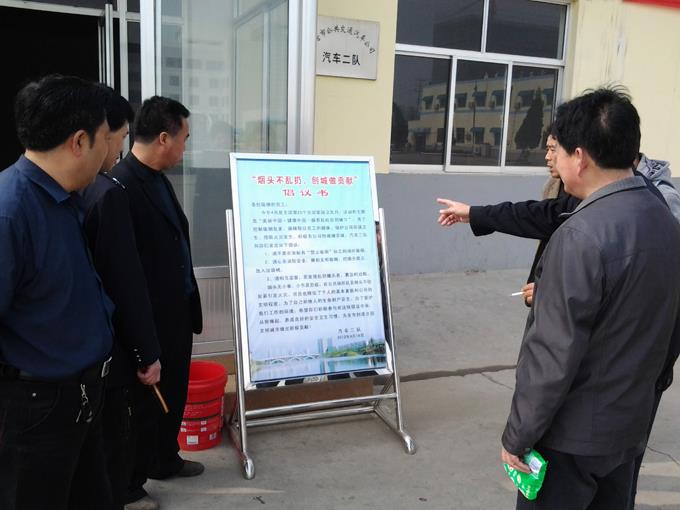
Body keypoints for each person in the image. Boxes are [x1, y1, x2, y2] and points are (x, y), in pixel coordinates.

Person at [499, 88, 680, 509]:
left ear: (579, 157)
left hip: (571, 439)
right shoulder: (664, 219)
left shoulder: (580, 235)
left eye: (557, 151)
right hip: (629, 426)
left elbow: (552, 354)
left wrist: (518, 435)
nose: (555, 163)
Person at [0, 75, 114, 509]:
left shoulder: (63, 198)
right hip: (36, 411)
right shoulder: (11, 210)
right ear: (80, 142)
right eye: (106, 139)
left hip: (79, 400)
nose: (109, 152)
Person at [109, 96, 204, 505]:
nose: (185, 148)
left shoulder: (158, 178)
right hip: (150, 319)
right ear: (164, 138)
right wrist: (140, 338)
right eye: (185, 139)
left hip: (177, 313)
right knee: (143, 405)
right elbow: (123, 272)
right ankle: (132, 486)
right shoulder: (122, 186)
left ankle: (165, 458)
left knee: (174, 393)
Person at [436, 150, 680, 305]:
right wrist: (475, 213)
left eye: (557, 150)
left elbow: (637, 287)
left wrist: (556, 295)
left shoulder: (651, 204)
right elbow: (541, 215)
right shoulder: (582, 197)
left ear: (581, 156)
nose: (549, 157)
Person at [81, 87, 162, 510]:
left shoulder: (72, 191)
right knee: (116, 431)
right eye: (121, 136)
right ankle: (125, 492)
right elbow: (127, 281)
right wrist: (147, 352)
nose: (120, 148)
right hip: (111, 349)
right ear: (101, 133)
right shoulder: (108, 192)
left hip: (82, 356)